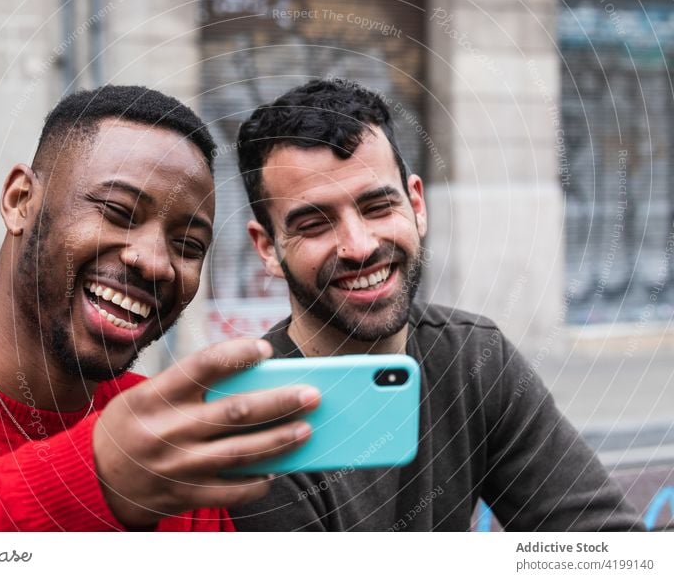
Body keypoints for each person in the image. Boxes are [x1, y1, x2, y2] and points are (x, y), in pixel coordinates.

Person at [0, 85, 321, 531]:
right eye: (117, 211)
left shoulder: (164, 430)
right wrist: (96, 477)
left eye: (188, 245)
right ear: (19, 201)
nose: (153, 262)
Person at [228, 78, 645, 531]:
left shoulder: (473, 358)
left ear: (417, 205)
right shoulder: (252, 417)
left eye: (378, 207)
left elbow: (603, 543)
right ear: (267, 247)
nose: (360, 246)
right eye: (313, 224)